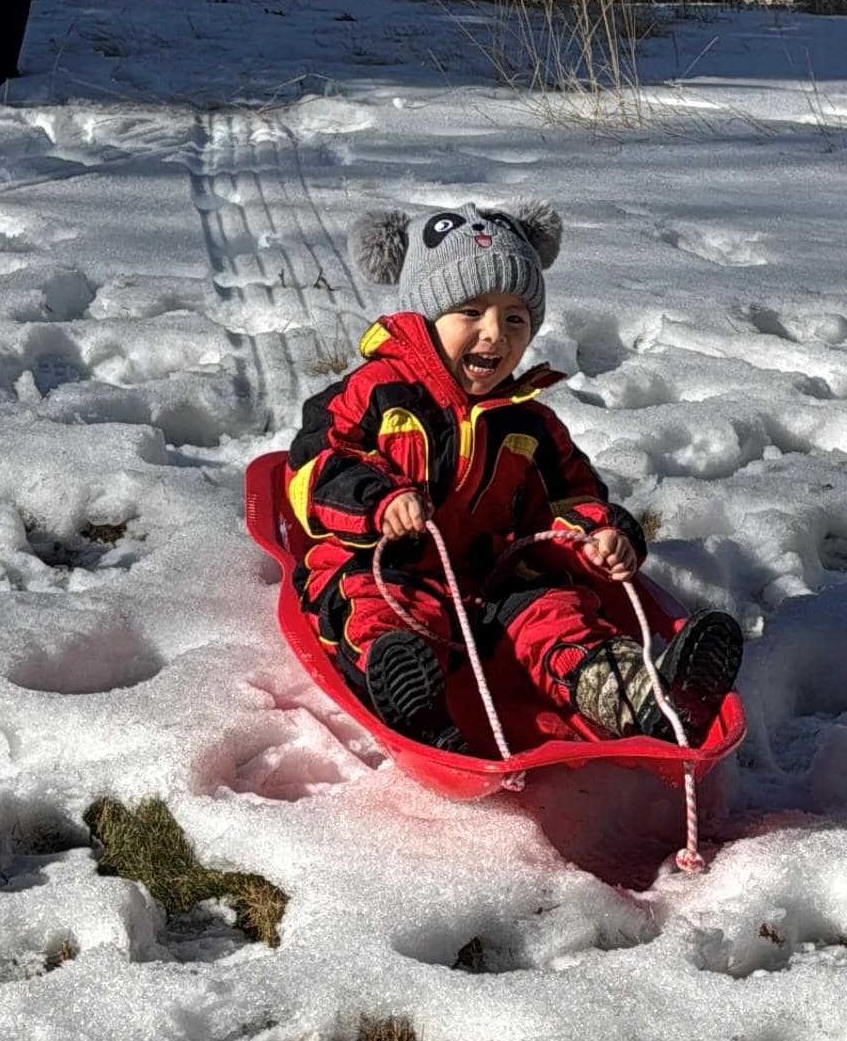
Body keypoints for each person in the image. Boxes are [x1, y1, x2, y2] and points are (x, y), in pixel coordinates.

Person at [284, 199, 742, 751]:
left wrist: (601, 536)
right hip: (386, 569)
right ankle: (416, 706)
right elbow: (313, 470)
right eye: (470, 312)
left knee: (555, 614)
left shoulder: (529, 422)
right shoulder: (375, 395)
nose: (494, 334)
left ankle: (639, 695)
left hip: (490, 582)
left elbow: (571, 496)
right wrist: (379, 502)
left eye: (515, 318)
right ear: (424, 319)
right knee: (376, 611)